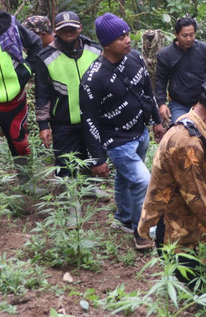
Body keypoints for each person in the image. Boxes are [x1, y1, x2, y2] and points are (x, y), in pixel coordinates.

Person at [137, 77, 206, 288]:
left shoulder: (191, 121)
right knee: (200, 290)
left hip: (192, 219)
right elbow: (197, 200)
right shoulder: (187, 144)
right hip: (175, 231)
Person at [80, 13, 165, 250]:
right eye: (121, 37)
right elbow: (89, 120)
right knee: (143, 181)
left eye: (127, 34)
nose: (128, 39)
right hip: (117, 140)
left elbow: (147, 90)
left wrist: (156, 121)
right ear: (107, 44)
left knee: (126, 177)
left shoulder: (134, 58)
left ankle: (123, 217)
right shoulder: (93, 78)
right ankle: (142, 232)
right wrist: (97, 158)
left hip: (140, 132)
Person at [34, 12, 107, 197]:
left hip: (92, 118)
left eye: (72, 28)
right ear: (56, 31)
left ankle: (90, 188)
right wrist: (43, 125)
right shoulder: (45, 57)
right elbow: (42, 94)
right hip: (63, 120)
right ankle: (70, 201)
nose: (68, 32)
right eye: (63, 29)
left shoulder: (95, 50)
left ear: (80, 28)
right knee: (65, 162)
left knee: (91, 156)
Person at [0, 0, 44, 193]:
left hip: (15, 100)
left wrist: (27, 70)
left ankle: (27, 185)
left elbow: (36, 45)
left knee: (20, 143)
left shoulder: (10, 26)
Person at [155, 17, 206, 126]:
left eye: (192, 35)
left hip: (204, 101)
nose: (188, 39)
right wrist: (161, 103)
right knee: (182, 131)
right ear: (176, 34)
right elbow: (160, 81)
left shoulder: (204, 49)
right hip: (179, 104)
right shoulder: (166, 55)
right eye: (184, 35)